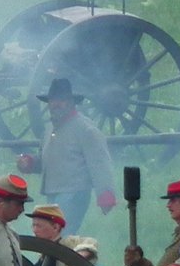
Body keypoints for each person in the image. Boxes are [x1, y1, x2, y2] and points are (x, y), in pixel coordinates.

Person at [18, 78, 117, 233]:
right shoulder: (50, 127)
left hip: (74, 193)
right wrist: (30, 162)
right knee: (52, 237)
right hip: (53, 191)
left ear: (71, 102)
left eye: (61, 100)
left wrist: (105, 193)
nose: (55, 104)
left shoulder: (85, 129)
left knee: (61, 236)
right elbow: (47, 160)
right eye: (52, 100)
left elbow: (100, 163)